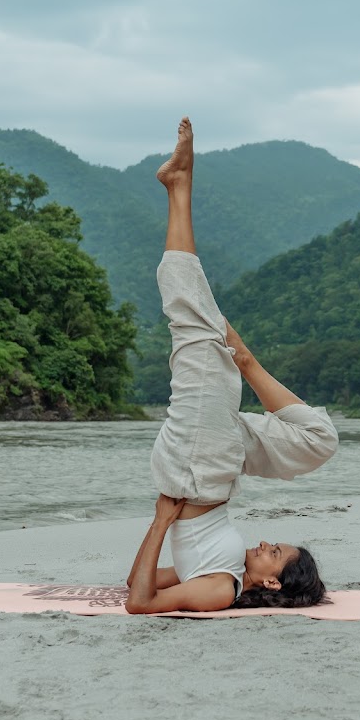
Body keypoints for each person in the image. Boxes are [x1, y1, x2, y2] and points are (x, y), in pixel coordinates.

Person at [125, 117, 339, 614]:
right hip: (214, 465)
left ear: (269, 584)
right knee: (319, 440)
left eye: (274, 553)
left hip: (197, 469)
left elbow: (138, 602)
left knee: (198, 330)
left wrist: (160, 523)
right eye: (275, 545)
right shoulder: (224, 571)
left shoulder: (221, 589)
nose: (266, 543)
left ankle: (180, 188)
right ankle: (241, 358)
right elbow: (142, 579)